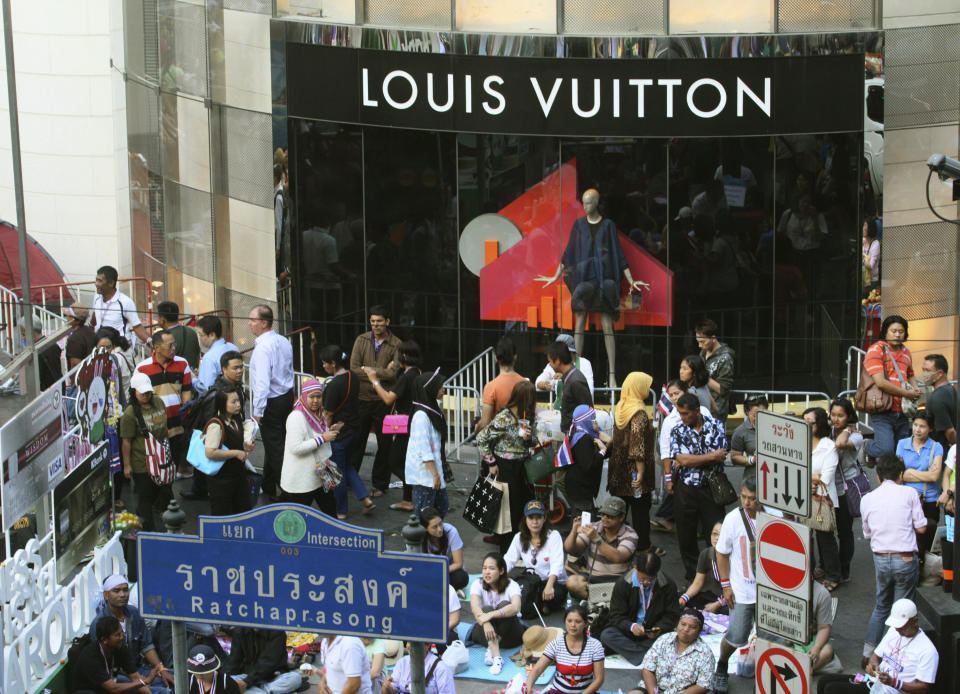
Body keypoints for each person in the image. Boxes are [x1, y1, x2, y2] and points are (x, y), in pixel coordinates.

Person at [535, 188, 649, 387]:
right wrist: (555, 275)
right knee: (579, 323)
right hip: (584, 280)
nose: (585, 206)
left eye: (589, 202)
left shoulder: (608, 226)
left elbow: (618, 254)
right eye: (584, 203)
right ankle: (574, 372)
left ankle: (612, 375)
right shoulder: (579, 225)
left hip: (604, 281)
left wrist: (630, 279)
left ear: (596, 203)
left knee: (607, 326)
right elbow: (569, 252)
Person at [859, 453, 928, 663]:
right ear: (901, 475)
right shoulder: (910, 493)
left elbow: (867, 533)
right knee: (902, 609)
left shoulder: (867, 498)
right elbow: (922, 527)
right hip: (905, 559)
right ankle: (891, 656)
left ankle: (868, 653)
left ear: (878, 477)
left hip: (881, 559)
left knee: (881, 606)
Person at [817, 599, 938, 694]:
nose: (898, 629)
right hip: (874, 682)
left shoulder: (927, 650)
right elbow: (876, 656)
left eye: (902, 627)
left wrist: (894, 683)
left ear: (915, 621)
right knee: (823, 681)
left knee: (832, 690)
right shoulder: (894, 631)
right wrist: (873, 665)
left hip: (891, 691)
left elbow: (923, 688)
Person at [670, 393, 728, 581]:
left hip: (709, 489)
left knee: (717, 532)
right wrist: (710, 457)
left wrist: (692, 461)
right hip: (685, 489)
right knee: (686, 535)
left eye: (686, 413)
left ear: (696, 411)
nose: (682, 417)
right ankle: (693, 575)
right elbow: (682, 458)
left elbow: (722, 455)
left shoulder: (716, 426)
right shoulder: (677, 430)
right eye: (680, 413)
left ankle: (721, 573)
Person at [475, 379, 538, 551]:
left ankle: (522, 546)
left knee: (523, 506)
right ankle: (507, 549)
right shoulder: (505, 417)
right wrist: (491, 462)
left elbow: (534, 442)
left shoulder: (529, 416)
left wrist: (528, 438)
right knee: (508, 510)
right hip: (505, 465)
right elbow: (482, 438)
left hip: (522, 465)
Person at [712, 480, 760, 694]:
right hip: (742, 590)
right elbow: (721, 553)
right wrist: (726, 586)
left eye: (752, 498)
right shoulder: (733, 519)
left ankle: (766, 679)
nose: (747, 502)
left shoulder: (775, 516)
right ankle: (721, 665)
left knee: (773, 640)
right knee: (737, 636)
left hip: (770, 592)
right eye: (744, 497)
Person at [363, 339, 421, 512]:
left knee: (394, 461)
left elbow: (389, 398)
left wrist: (374, 380)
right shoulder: (416, 372)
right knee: (405, 461)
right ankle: (407, 500)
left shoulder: (407, 376)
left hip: (406, 424)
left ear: (403, 356)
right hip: (413, 422)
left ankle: (415, 490)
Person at [351, 305, 402, 496]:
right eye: (372, 321)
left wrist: (371, 371)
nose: (375, 325)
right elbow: (354, 369)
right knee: (357, 442)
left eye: (379, 321)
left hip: (385, 402)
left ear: (387, 321)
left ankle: (380, 485)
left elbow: (394, 373)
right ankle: (350, 478)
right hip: (361, 399)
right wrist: (380, 373)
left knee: (385, 445)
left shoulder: (397, 344)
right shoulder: (361, 339)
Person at [89, 575, 174, 690]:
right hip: (119, 676)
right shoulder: (99, 624)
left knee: (179, 677)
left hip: (140, 667)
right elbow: (106, 664)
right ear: (106, 595)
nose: (122, 594)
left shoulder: (133, 612)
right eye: (116, 591)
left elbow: (147, 646)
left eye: (125, 590)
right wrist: (142, 680)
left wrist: (161, 669)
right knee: (164, 690)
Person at [320, 345, 376, 519]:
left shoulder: (334, 385)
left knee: (337, 473)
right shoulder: (353, 376)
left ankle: (341, 511)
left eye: (325, 363)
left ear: (333, 364)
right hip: (354, 430)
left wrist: (323, 434)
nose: (323, 366)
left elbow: (328, 414)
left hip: (339, 434)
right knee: (348, 466)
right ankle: (365, 499)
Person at [600, 551, 682, 665]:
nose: (646, 582)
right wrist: (631, 626)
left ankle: (636, 652)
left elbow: (672, 615)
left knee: (672, 638)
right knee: (607, 635)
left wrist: (659, 628)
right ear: (636, 568)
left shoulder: (668, 585)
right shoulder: (623, 583)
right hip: (629, 631)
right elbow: (616, 616)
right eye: (642, 578)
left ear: (657, 572)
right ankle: (646, 655)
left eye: (650, 579)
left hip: (652, 633)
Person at [607, 372, 657, 556]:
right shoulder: (639, 413)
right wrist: (641, 473)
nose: (647, 388)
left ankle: (614, 543)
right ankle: (642, 547)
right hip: (635, 472)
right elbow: (637, 446)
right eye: (645, 384)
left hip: (618, 470)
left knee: (619, 509)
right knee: (641, 512)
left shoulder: (621, 407)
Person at [248, 304, 295, 499]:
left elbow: (262, 383)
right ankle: (268, 485)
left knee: (276, 447)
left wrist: (258, 410)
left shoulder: (263, 348)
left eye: (253, 320)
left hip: (272, 401)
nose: (250, 324)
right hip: (285, 396)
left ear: (264, 323)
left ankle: (287, 489)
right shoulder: (283, 341)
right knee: (275, 443)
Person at [653, 380, 710, 534]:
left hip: (706, 469)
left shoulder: (703, 412)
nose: (673, 398)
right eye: (670, 395)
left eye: (676, 393)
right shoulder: (670, 421)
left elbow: (713, 438)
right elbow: (665, 451)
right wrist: (668, 478)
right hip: (682, 473)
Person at [119, 373, 173, 532]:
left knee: (162, 490)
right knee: (145, 497)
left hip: (161, 459)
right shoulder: (129, 414)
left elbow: (165, 429)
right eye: (142, 393)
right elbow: (126, 441)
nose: (146, 396)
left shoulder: (158, 402)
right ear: (133, 392)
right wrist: (127, 465)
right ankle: (148, 531)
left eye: (148, 392)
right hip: (142, 463)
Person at [136, 330, 193, 478]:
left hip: (177, 423)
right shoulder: (142, 369)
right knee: (156, 463)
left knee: (172, 461)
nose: (174, 348)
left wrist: (186, 415)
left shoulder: (182, 363)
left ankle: (169, 495)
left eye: (174, 344)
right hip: (155, 424)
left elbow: (186, 392)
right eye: (170, 345)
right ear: (156, 348)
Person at [863, 315, 920, 460]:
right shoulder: (876, 349)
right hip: (883, 408)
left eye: (901, 331)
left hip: (902, 410)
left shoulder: (906, 352)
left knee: (899, 453)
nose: (897, 334)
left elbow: (910, 374)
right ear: (885, 332)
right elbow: (880, 382)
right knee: (885, 449)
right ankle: (865, 446)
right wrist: (906, 394)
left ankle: (891, 480)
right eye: (893, 330)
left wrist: (915, 388)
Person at [280, 378, 340, 516]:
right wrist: (323, 438)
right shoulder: (296, 417)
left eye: (319, 396)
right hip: (301, 480)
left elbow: (315, 433)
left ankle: (334, 536)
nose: (315, 401)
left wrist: (328, 431)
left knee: (330, 514)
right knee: (296, 522)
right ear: (304, 396)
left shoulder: (319, 414)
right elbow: (296, 448)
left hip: (319, 476)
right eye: (311, 397)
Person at [564, 496, 639, 600]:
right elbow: (570, 548)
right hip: (593, 578)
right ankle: (601, 601)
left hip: (620, 580)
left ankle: (600, 601)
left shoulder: (630, 534)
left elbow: (618, 557)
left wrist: (597, 539)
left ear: (622, 517)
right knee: (572, 582)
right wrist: (573, 532)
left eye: (610, 516)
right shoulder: (594, 527)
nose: (605, 518)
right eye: (603, 514)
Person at [504, 499, 568, 616]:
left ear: (544, 519)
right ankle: (538, 607)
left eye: (538, 517)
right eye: (531, 518)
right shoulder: (519, 537)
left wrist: (549, 586)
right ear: (525, 519)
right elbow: (509, 560)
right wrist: (497, 575)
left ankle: (537, 605)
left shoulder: (553, 536)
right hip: (532, 580)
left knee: (556, 594)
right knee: (510, 586)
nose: (535, 522)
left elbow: (557, 564)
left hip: (553, 582)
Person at [895, 411, 943, 564]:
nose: (917, 429)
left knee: (926, 541)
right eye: (915, 425)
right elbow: (899, 475)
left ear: (930, 429)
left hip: (929, 499)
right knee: (907, 539)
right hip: (907, 498)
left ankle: (923, 572)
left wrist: (910, 472)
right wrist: (924, 474)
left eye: (922, 426)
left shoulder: (936, 447)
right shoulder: (902, 444)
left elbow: (934, 477)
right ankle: (910, 572)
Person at [525, 605, 605, 694]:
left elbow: (599, 679)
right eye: (569, 621)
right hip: (558, 692)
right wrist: (529, 685)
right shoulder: (556, 644)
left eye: (578, 621)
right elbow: (537, 669)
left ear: (585, 623)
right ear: (565, 622)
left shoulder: (595, 646)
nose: (573, 625)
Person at [803, 407, 842, 591]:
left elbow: (826, 478)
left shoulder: (828, 446)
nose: (805, 424)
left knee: (824, 536)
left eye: (809, 421)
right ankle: (813, 570)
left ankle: (833, 574)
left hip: (821, 500)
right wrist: (812, 477)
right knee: (804, 536)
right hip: (802, 495)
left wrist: (807, 479)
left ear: (818, 425)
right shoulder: (798, 442)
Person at [633, 608, 715, 694]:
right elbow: (647, 669)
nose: (686, 629)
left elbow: (703, 685)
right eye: (683, 624)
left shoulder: (705, 653)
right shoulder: (664, 640)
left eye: (692, 627)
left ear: (699, 631)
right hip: (655, 689)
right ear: (677, 625)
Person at [72, 615, 158, 694]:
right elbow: (113, 688)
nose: (122, 637)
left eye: (122, 633)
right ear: (104, 640)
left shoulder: (120, 647)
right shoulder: (90, 656)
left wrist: (145, 685)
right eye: (118, 635)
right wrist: (145, 681)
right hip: (89, 690)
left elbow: (135, 677)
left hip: (109, 685)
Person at [469, 552, 524, 675]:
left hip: (509, 635)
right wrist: (487, 621)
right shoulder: (477, 584)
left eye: (492, 568)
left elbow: (516, 607)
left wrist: (492, 615)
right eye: (484, 568)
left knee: (505, 605)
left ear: (501, 571)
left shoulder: (512, 585)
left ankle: (492, 650)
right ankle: (498, 657)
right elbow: (475, 607)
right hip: (484, 633)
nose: (487, 572)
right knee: (486, 609)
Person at [202, 389, 254, 516]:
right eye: (233, 402)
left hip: (238, 479)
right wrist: (236, 453)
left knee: (243, 515)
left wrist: (246, 445)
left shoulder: (236, 420)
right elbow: (210, 452)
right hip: (221, 483)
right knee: (223, 518)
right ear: (222, 404)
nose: (238, 405)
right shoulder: (216, 425)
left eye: (238, 401)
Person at [405, 368, 449, 519]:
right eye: (439, 386)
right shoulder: (421, 416)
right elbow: (424, 449)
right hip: (425, 476)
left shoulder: (432, 410)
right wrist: (435, 475)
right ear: (429, 389)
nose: (443, 389)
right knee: (425, 517)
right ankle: (421, 542)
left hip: (433, 473)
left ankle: (434, 541)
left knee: (441, 507)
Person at [830, 397, 865, 583]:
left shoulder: (855, 436)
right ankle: (828, 567)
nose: (835, 419)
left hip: (845, 489)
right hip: (826, 487)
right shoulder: (825, 431)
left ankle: (844, 569)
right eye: (833, 415)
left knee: (844, 532)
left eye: (840, 416)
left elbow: (840, 444)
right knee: (824, 531)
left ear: (849, 417)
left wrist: (845, 429)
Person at [561, 404, 610, 514]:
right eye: (592, 419)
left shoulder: (578, 432)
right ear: (586, 420)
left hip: (577, 487)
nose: (595, 422)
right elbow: (588, 465)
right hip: (581, 489)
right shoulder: (584, 439)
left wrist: (606, 442)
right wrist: (602, 450)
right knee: (584, 522)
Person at [475, 336, 527, 432]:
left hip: (499, 442)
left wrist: (476, 429)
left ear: (496, 358)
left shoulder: (491, 387)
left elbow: (485, 422)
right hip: (520, 440)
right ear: (515, 357)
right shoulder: (525, 384)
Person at [226, 628, 301, 694]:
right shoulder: (240, 631)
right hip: (247, 675)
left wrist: (247, 682)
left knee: (295, 678)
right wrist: (226, 680)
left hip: (272, 677)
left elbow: (268, 663)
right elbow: (233, 661)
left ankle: (258, 691)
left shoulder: (277, 632)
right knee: (227, 682)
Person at [92, 265, 149, 347]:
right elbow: (95, 315)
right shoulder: (97, 297)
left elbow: (137, 326)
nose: (96, 284)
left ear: (111, 283)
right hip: (101, 346)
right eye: (96, 280)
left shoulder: (125, 302)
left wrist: (150, 341)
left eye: (100, 281)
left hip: (119, 348)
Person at [546, 341, 593, 433]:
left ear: (558, 361)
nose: (549, 365)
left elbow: (588, 412)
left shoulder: (576, 381)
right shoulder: (568, 377)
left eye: (550, 361)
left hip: (578, 437)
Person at [679, 522, 726, 613]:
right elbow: (698, 583)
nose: (716, 538)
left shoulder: (737, 558)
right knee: (681, 599)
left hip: (730, 598)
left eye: (722, 535)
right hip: (712, 595)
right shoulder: (706, 553)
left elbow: (739, 591)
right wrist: (683, 598)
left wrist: (717, 604)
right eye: (714, 534)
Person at [695, 319, 735, 422]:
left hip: (716, 411)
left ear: (713, 338)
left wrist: (703, 377)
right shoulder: (703, 353)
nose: (700, 345)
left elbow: (723, 389)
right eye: (698, 342)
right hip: (701, 406)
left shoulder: (725, 358)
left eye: (702, 342)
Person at [420, 506, 468, 590]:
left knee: (461, 578)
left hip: (449, 570)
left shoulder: (451, 531)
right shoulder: (419, 537)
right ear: (426, 528)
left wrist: (438, 572)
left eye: (440, 523)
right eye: (434, 527)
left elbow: (458, 563)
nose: (439, 529)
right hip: (429, 572)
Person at [536, 333, 595, 400]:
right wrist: (544, 385)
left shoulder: (584, 363)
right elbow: (538, 381)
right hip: (560, 408)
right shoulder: (554, 364)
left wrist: (565, 377)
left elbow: (588, 391)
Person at [382, 644, 455, 694]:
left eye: (416, 643)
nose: (410, 646)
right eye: (409, 642)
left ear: (428, 646)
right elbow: (393, 689)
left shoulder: (441, 668)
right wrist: (386, 686)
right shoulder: (402, 662)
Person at [195, 315, 238, 397]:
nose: (200, 338)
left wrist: (194, 381)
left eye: (201, 335)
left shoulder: (209, 357)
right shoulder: (233, 347)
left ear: (212, 335)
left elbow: (205, 388)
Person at [729, 394, 768, 485]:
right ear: (747, 412)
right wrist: (752, 460)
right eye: (755, 415)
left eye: (763, 414)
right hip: (754, 480)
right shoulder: (740, 431)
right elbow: (734, 458)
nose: (759, 418)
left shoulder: (776, 427)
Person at [921, 353, 956, 450]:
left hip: (943, 451)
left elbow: (950, 432)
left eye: (927, 370)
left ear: (940, 373)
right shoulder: (951, 389)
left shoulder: (937, 398)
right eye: (923, 370)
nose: (924, 374)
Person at [156, 301, 200, 372]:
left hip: (174, 379)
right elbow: (198, 356)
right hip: (193, 375)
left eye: (158, 317)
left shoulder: (164, 338)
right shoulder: (191, 332)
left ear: (162, 320)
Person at [97, 327, 135, 404]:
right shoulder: (126, 351)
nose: (105, 350)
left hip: (120, 404)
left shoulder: (116, 359)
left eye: (108, 347)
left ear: (113, 345)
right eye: (101, 347)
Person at [939, 443, 956, 590]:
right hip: (951, 503)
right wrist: (948, 496)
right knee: (951, 540)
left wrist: (949, 493)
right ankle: (949, 582)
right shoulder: (955, 448)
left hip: (953, 496)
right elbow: (946, 474)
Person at [65, 303, 98, 371]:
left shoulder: (74, 339)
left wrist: (73, 380)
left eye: (69, 316)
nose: (67, 318)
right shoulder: (90, 331)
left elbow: (75, 364)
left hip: (82, 377)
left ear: (77, 320)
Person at [862, 216, 881, 294]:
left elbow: (870, 266)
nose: (863, 228)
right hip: (862, 280)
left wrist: (862, 259)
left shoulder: (875, 244)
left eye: (865, 226)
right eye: (863, 226)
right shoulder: (862, 241)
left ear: (870, 229)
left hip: (871, 282)